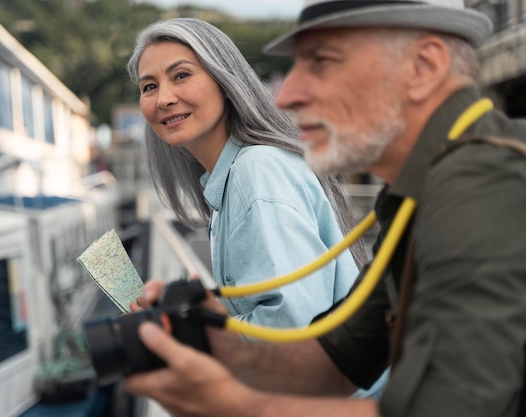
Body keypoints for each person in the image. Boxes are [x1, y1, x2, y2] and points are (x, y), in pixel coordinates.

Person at [123, 0, 526, 416]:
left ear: (423, 67)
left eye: (323, 64)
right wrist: (219, 337)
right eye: (147, 86)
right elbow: (338, 360)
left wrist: (235, 405)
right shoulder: (413, 196)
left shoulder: (484, 183)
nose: (290, 94)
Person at [127, 19, 374, 335]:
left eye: (182, 75)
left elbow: (290, 325)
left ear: (226, 83)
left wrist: (181, 336)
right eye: (149, 86)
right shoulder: (235, 177)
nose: (164, 99)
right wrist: (191, 311)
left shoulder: (256, 171)